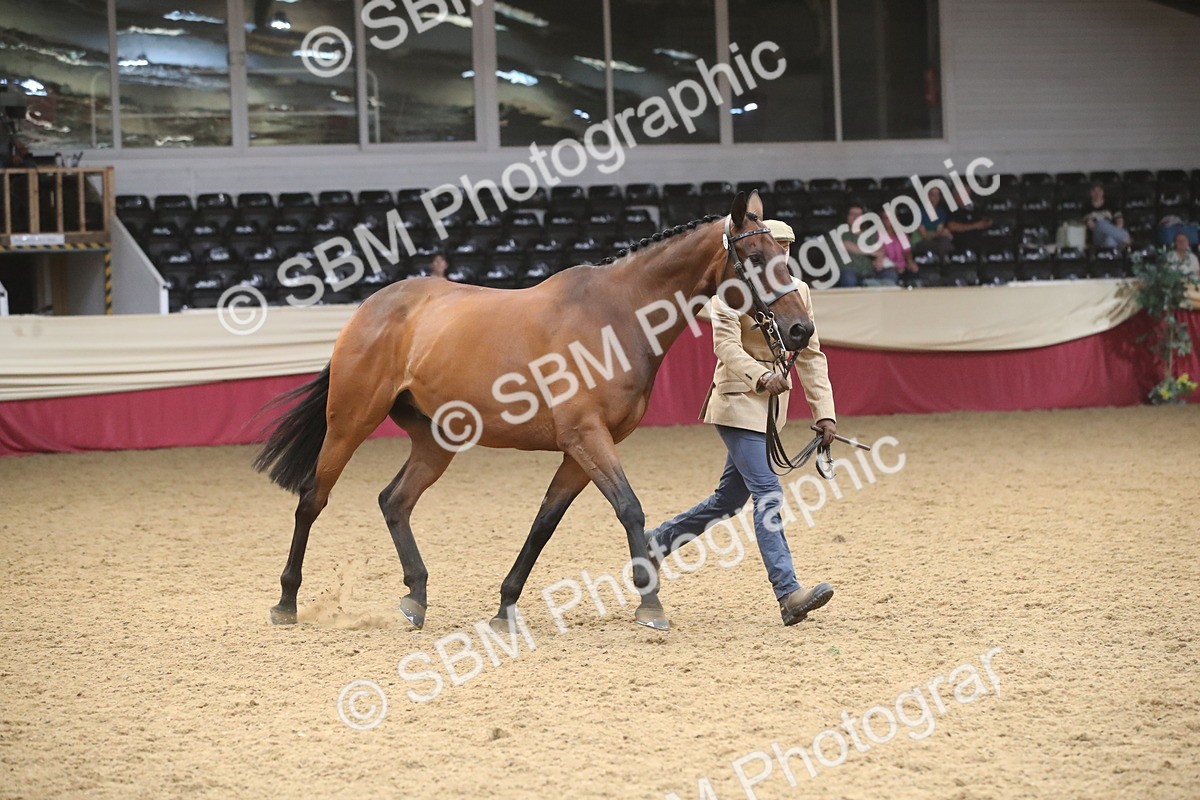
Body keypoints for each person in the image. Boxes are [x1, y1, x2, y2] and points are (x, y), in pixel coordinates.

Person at [644, 219, 837, 627]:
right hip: (737, 400)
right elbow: (726, 346)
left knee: (728, 501)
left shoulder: (798, 294)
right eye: (772, 250)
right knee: (768, 493)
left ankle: (655, 543)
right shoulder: (731, 293)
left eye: (784, 249)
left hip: (770, 410)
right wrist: (761, 376)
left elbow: (811, 356)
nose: (778, 257)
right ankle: (789, 594)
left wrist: (825, 413)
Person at [836, 203, 882, 287]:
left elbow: (879, 250)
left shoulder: (870, 234)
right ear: (847, 217)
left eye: (858, 214)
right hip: (849, 271)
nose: (856, 217)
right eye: (853, 214)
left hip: (868, 272)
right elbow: (847, 245)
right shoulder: (841, 231)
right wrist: (870, 252)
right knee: (849, 279)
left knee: (889, 276)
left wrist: (879, 258)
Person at [945, 184, 992, 254]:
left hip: (980, 241)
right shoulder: (951, 209)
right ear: (956, 196)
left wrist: (987, 222)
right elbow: (952, 226)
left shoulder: (975, 209)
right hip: (961, 243)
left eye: (968, 195)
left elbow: (985, 219)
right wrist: (975, 226)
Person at [1085, 183, 1131, 250]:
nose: (1097, 194)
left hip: (1112, 234)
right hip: (1097, 236)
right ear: (1090, 193)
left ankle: (1114, 258)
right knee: (1101, 223)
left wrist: (1112, 233)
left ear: (1103, 192)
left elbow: (1120, 221)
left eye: (1099, 191)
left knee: (1109, 240)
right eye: (1094, 191)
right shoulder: (1086, 207)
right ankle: (1124, 237)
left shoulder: (1111, 203)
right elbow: (1092, 226)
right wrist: (1105, 228)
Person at [911, 185, 953, 258]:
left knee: (946, 242)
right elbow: (924, 235)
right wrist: (941, 234)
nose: (936, 197)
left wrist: (945, 233)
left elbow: (939, 230)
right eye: (933, 195)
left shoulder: (941, 212)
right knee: (941, 246)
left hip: (936, 240)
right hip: (920, 241)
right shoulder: (919, 212)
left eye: (938, 194)